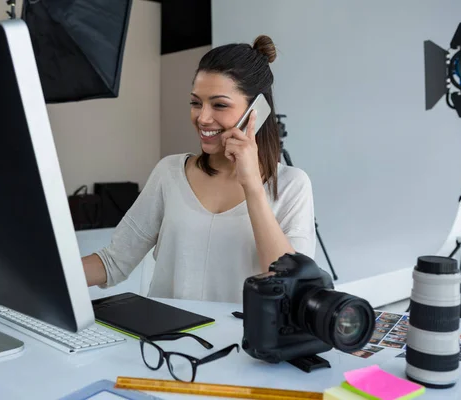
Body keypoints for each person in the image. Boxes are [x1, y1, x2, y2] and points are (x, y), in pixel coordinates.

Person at [82, 34, 316, 304]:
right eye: (196, 103)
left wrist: (252, 185)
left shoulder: (291, 185)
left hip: (243, 344)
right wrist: (40, 280)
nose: (202, 117)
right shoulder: (169, 172)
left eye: (219, 105)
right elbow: (113, 262)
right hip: (167, 341)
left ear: (257, 111)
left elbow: (290, 286)